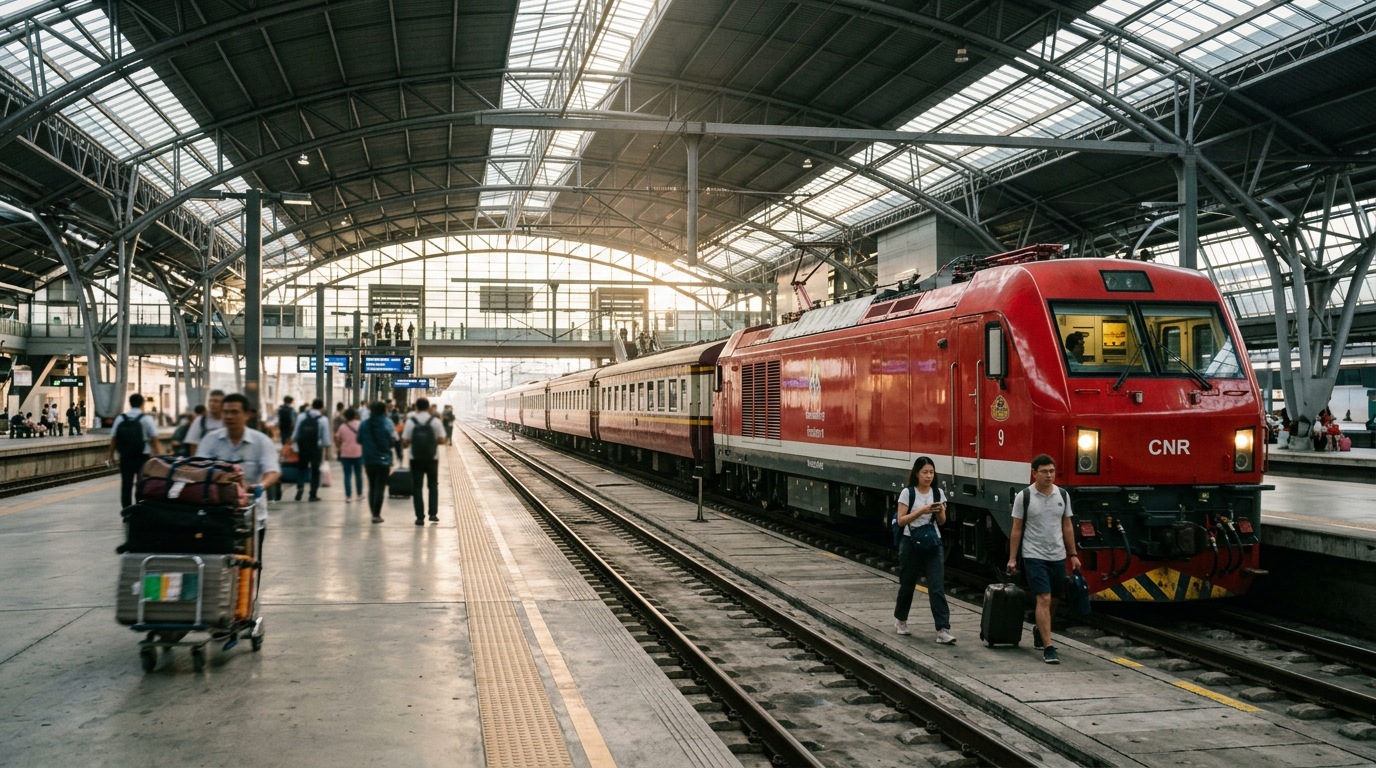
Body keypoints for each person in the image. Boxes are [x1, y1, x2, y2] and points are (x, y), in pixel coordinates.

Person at [1006, 454, 1080, 665]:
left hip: (1057, 556)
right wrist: (1013, 558)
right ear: (1034, 473)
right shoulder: (1024, 497)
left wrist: (1073, 554)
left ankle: (1040, 629)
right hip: (1034, 555)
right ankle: (1049, 646)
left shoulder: (1062, 495)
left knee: (1054, 600)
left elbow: (1067, 525)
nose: (1049, 475)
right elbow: (1017, 529)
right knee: (1044, 598)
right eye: (1044, 471)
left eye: (1052, 471)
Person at [194, 393, 280, 558]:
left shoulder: (261, 441)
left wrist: (260, 486)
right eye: (225, 412)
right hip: (215, 516)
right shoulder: (210, 440)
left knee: (249, 564)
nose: (228, 416)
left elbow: (273, 471)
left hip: (251, 517)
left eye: (234, 412)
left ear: (247, 415)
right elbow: (199, 471)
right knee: (217, 562)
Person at [892, 456, 954, 644]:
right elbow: (902, 520)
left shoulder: (938, 493)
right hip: (910, 543)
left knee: (936, 586)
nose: (928, 476)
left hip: (933, 544)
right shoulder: (907, 493)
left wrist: (939, 510)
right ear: (917, 474)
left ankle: (943, 629)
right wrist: (922, 511)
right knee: (907, 584)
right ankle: (901, 620)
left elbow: (943, 522)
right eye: (925, 472)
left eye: (931, 472)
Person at [107, 394, 163, 509]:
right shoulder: (146, 419)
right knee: (141, 484)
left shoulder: (120, 418)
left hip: (125, 456)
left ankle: (127, 510)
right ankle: (139, 508)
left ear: (130, 403)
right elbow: (154, 440)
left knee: (126, 485)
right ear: (142, 404)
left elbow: (114, 438)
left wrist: (110, 455)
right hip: (142, 456)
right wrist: (160, 457)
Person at [402, 397, 445, 525]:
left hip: (415, 459)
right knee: (433, 486)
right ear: (428, 407)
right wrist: (431, 442)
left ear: (416, 407)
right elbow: (442, 440)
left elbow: (404, 442)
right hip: (432, 459)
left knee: (417, 487)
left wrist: (414, 442)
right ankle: (433, 514)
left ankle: (420, 517)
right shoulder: (435, 421)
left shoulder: (411, 422)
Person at [358, 401, 394, 523]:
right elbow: (391, 440)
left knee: (372, 486)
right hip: (384, 460)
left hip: (368, 459)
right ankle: (376, 515)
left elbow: (359, 440)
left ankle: (373, 513)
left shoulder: (364, 424)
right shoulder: (388, 423)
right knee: (380, 487)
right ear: (384, 410)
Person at [292, 398, 331, 501]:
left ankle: (300, 488)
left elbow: (295, 434)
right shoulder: (323, 419)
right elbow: (326, 439)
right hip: (316, 448)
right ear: (322, 407)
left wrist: (295, 443)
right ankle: (312, 494)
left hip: (303, 446)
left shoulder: (301, 416)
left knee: (302, 468)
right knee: (315, 470)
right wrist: (325, 449)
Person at [335, 407, 364, 504]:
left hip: (345, 454)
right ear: (355, 415)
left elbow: (337, 439)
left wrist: (340, 446)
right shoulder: (360, 425)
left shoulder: (342, 427)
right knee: (358, 474)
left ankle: (348, 497)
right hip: (358, 453)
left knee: (347, 475)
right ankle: (359, 494)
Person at [184, 389, 225, 454]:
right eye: (210, 401)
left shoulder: (228, 420)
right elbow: (193, 444)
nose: (212, 404)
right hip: (205, 459)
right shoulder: (200, 420)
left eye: (216, 401)